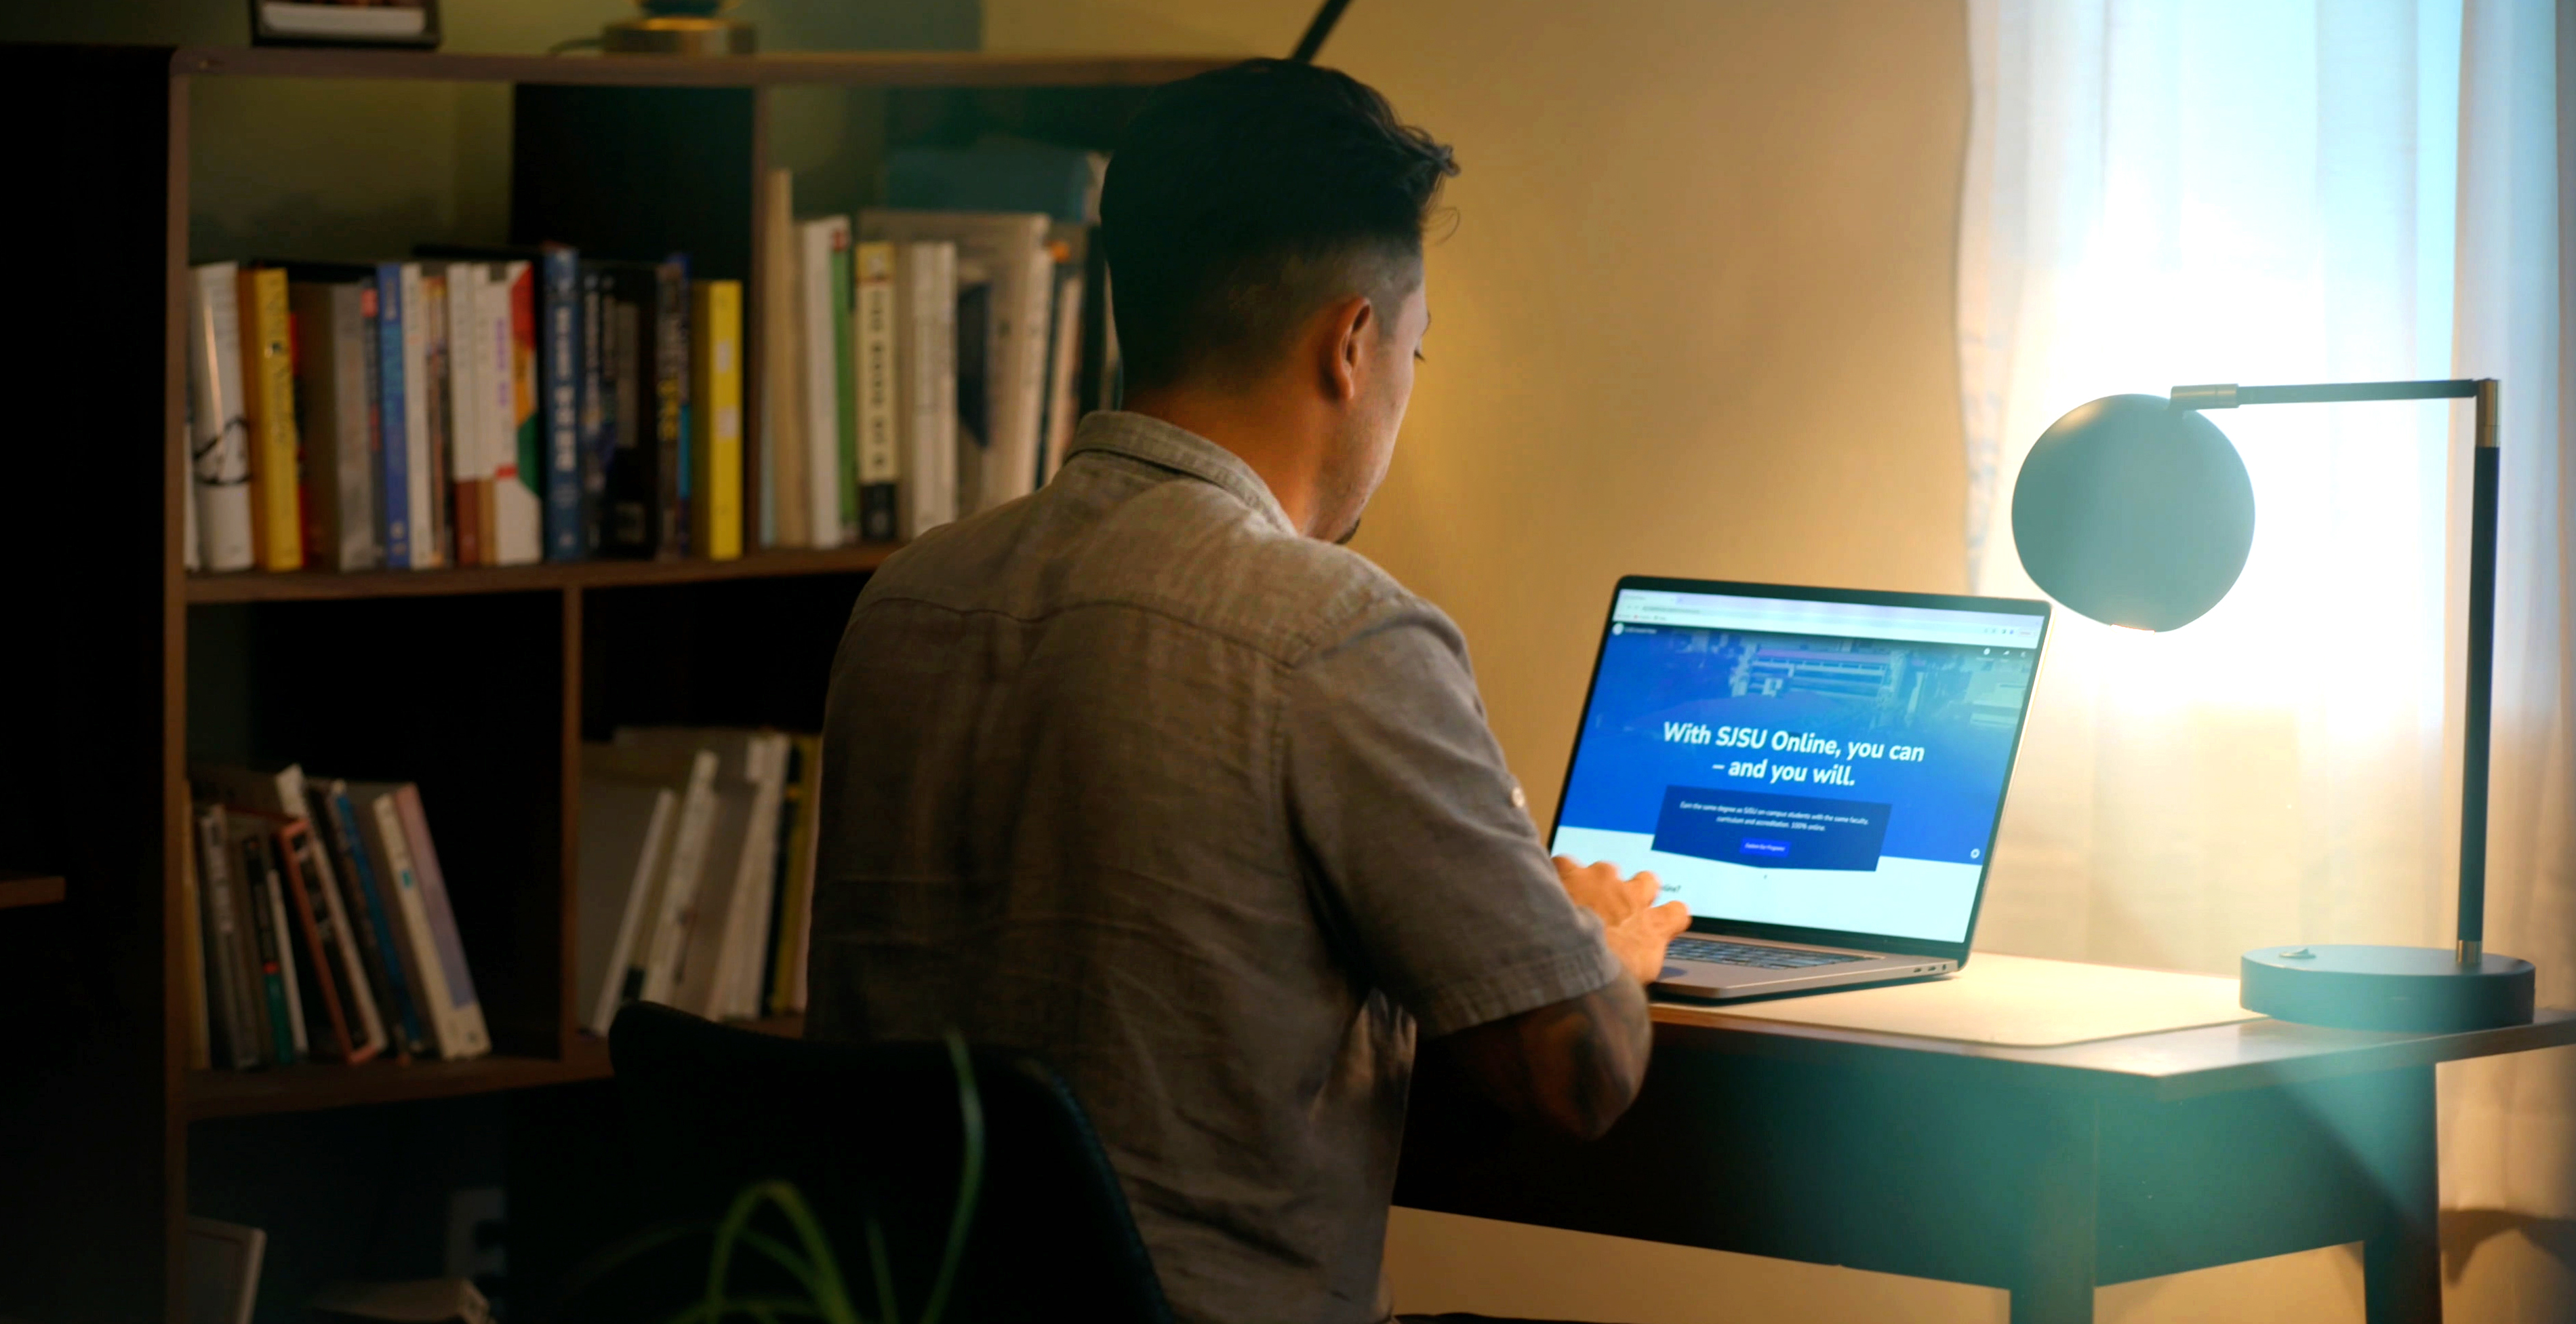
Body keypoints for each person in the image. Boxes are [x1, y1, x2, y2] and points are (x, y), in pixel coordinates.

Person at [806, 58, 1689, 1324]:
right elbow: (1581, 1071)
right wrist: (1607, 943)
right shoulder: (1333, 632)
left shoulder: (905, 603)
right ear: (1351, 344)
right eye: (1414, 353)